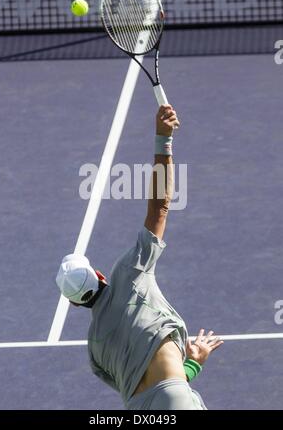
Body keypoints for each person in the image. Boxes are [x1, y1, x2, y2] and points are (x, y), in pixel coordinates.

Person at [56, 105, 223, 410]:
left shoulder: (96, 352)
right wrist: (164, 139)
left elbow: (149, 396)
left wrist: (193, 365)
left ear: (74, 302)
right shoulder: (130, 273)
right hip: (176, 399)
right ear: (100, 275)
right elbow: (159, 208)